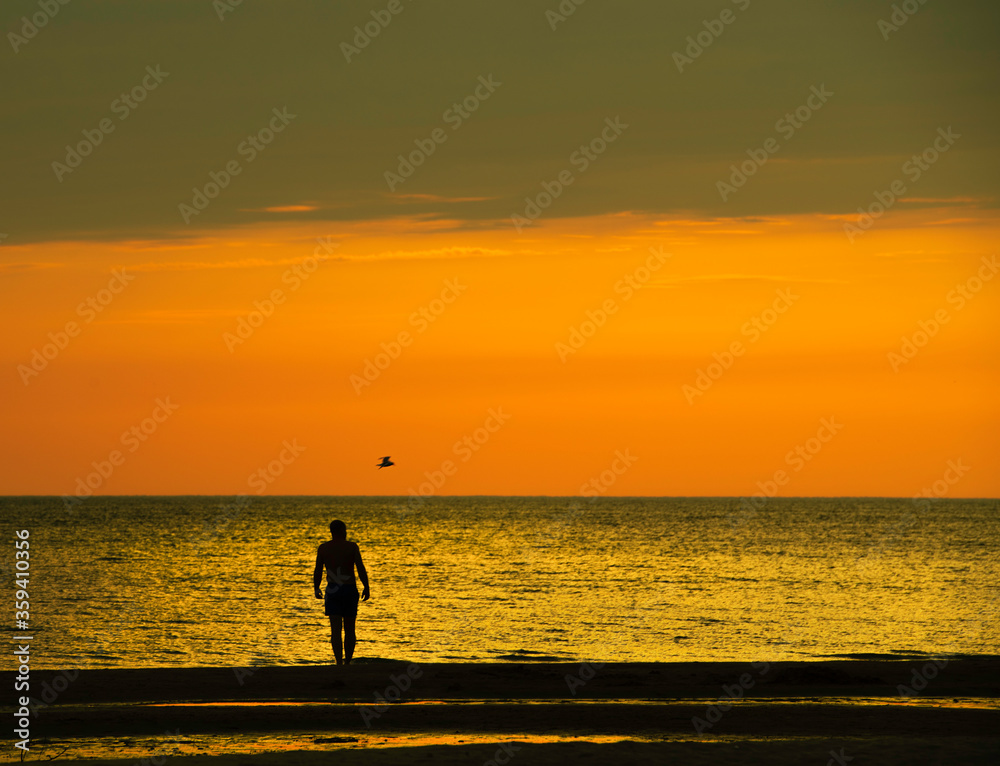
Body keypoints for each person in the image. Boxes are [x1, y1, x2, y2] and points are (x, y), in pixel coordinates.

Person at [313, 519, 370, 665]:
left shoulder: (324, 548)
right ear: (343, 531)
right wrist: (366, 586)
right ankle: (348, 662)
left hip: (333, 590)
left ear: (331, 532)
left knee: (335, 629)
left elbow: (318, 570)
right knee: (350, 629)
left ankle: (339, 662)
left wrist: (316, 587)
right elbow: (360, 568)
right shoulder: (351, 547)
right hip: (349, 589)